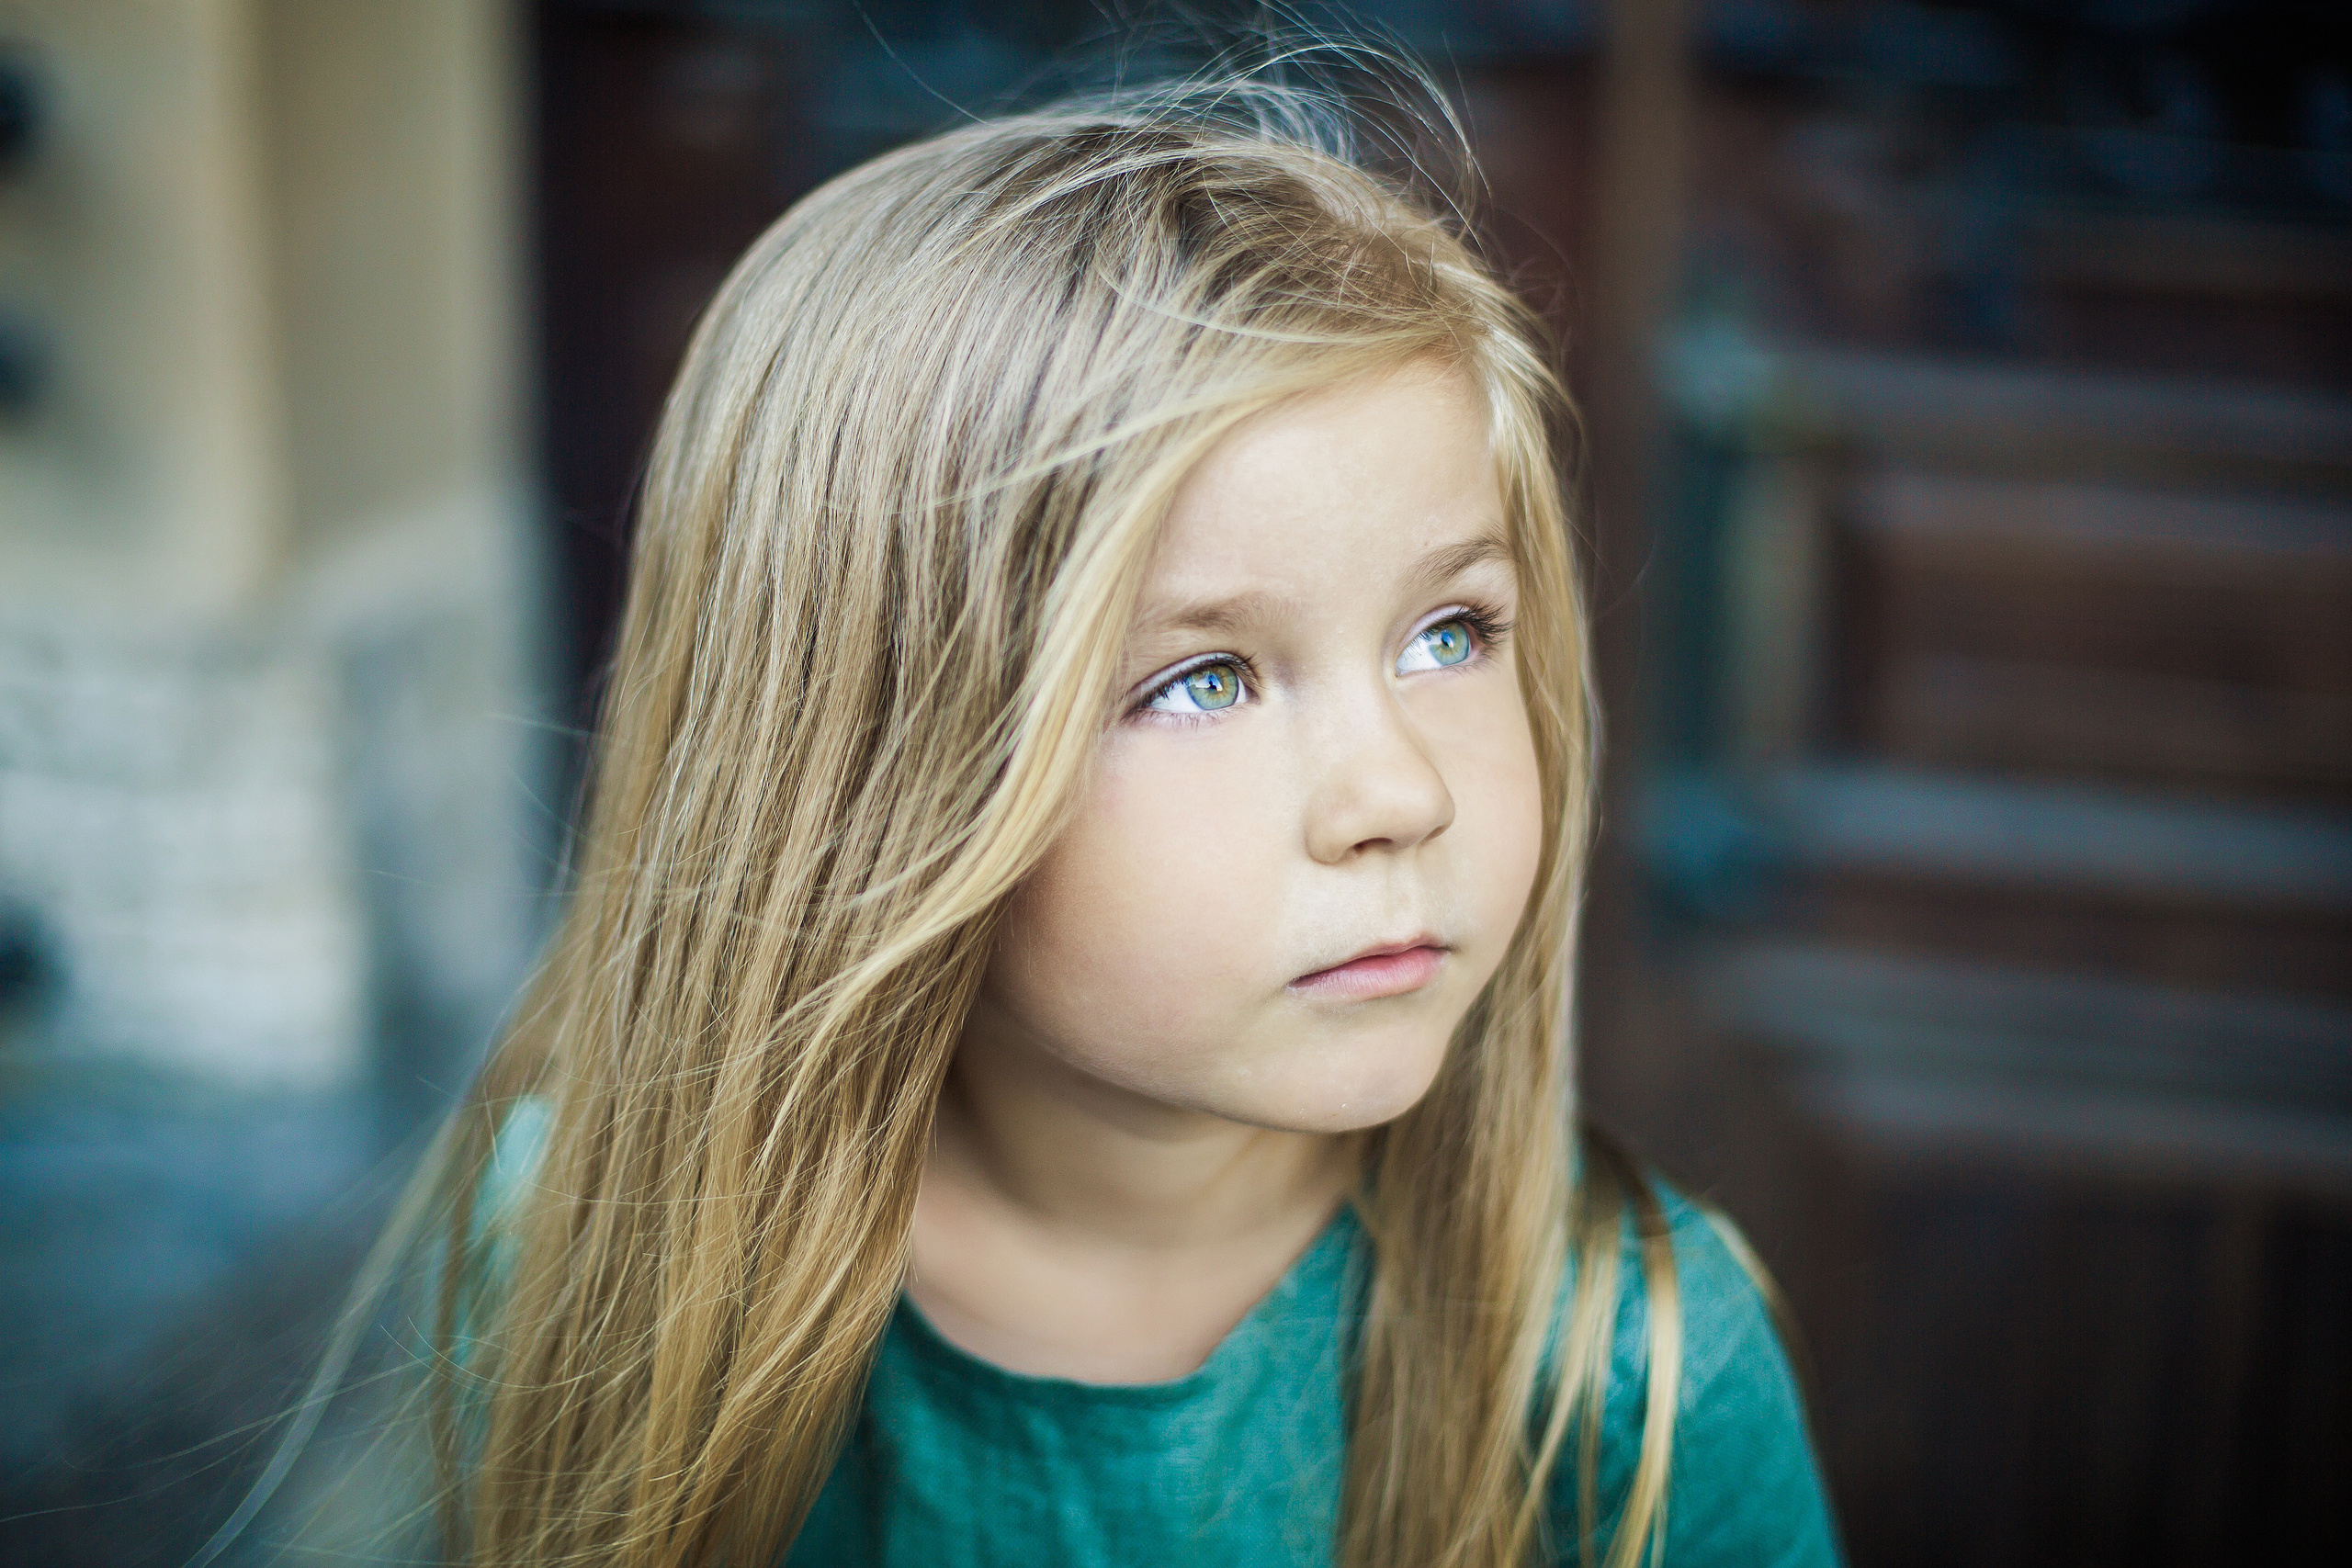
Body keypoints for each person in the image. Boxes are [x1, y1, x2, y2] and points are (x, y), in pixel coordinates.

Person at [402, 67, 1838, 1568]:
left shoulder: (1638, 1379)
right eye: (1204, 681)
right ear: (874, 775)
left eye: (1449, 634)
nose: (1401, 793)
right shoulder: (597, 1252)